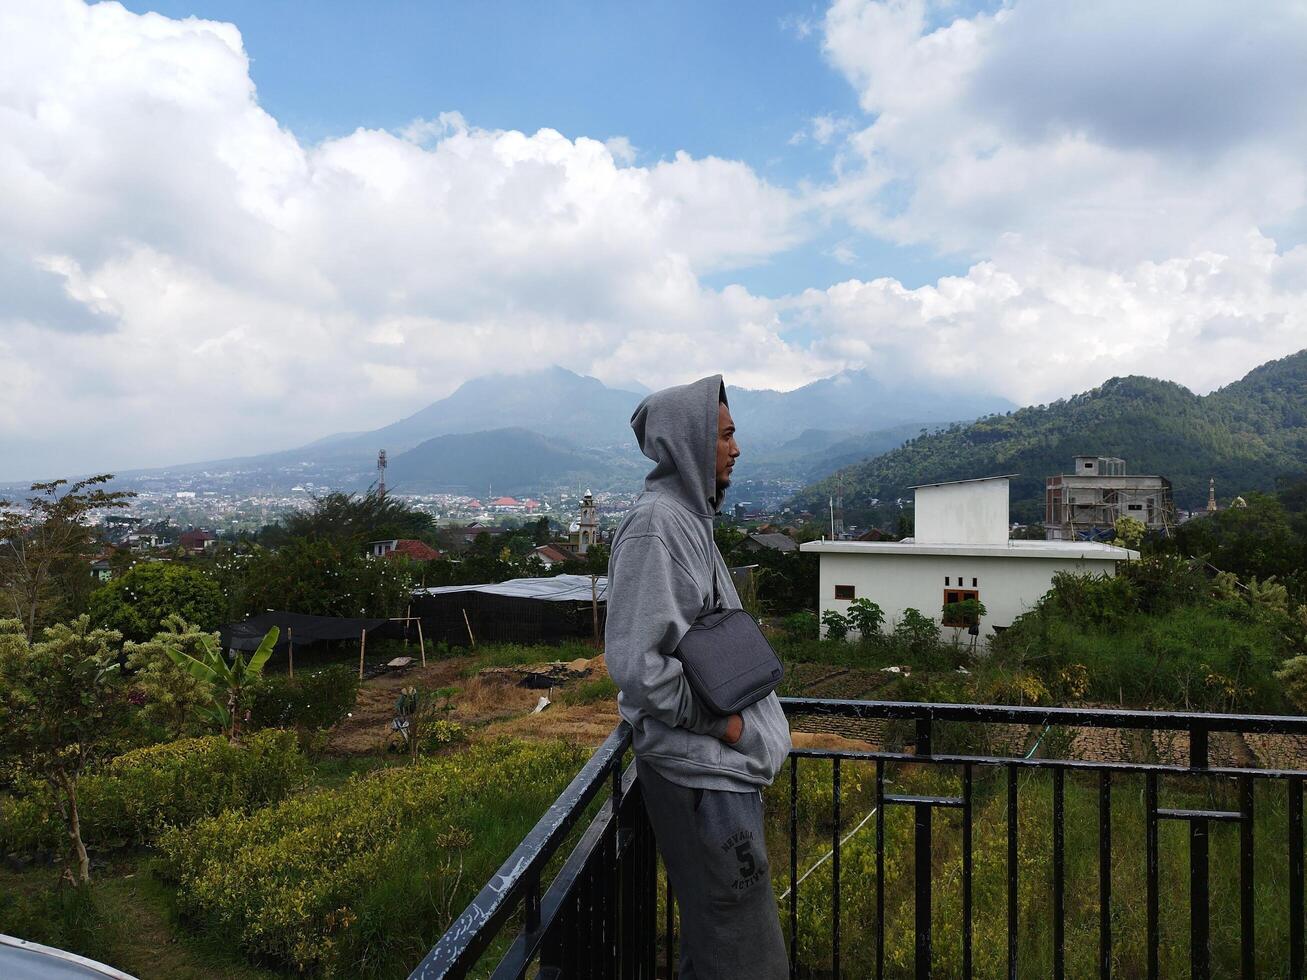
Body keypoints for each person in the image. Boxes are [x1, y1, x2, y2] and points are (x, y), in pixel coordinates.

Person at [605, 374, 792, 979]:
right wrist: (729, 724)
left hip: (715, 774)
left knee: (720, 949)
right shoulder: (657, 526)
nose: (736, 449)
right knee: (743, 959)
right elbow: (639, 667)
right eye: (726, 436)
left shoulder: (689, 519)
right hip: (701, 775)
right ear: (689, 441)